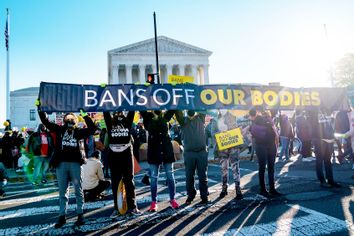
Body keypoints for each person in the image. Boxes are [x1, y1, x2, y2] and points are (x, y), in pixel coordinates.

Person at [37, 102, 96, 228]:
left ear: (75, 120)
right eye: (67, 118)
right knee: (63, 192)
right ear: (64, 120)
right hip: (61, 164)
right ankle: (62, 216)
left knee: (78, 191)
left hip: (75, 164)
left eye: (72, 118)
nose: (70, 119)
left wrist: (85, 115)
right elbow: (45, 121)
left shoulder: (79, 132)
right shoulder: (59, 130)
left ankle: (80, 215)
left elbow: (92, 129)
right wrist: (40, 108)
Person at [140, 110, 179, 212]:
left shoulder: (165, 116)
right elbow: (140, 106)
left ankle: (172, 199)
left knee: (170, 177)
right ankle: (153, 202)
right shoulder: (147, 116)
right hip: (154, 151)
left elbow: (173, 107)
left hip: (166, 150)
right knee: (153, 178)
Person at [103, 110, 140, 217]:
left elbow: (131, 110)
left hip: (127, 153)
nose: (119, 114)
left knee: (129, 181)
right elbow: (105, 112)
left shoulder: (127, 122)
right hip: (114, 155)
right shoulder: (110, 123)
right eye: (116, 113)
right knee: (115, 183)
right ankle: (117, 208)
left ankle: (132, 207)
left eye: (121, 113)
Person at [175, 110, 209, 205]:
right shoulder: (183, 121)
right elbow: (178, 112)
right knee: (189, 176)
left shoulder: (200, 118)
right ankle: (191, 195)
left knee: (202, 176)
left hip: (201, 152)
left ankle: (204, 196)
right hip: (189, 153)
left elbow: (203, 105)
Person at [211, 110, 243, 199]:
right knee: (223, 169)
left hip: (233, 147)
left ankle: (238, 188)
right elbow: (212, 133)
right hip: (222, 148)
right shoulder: (215, 119)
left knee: (235, 168)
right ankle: (224, 189)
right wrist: (221, 132)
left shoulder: (233, 116)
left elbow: (236, 129)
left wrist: (230, 130)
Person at [249, 108, 281, 197]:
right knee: (271, 168)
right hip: (271, 145)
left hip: (260, 146)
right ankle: (272, 189)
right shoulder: (269, 120)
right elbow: (276, 134)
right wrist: (276, 147)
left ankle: (263, 190)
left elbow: (251, 136)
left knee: (262, 168)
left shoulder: (255, 121)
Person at [308, 109, 341, 188]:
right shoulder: (314, 110)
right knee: (319, 161)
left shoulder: (329, 109)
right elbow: (311, 123)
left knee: (328, 161)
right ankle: (322, 181)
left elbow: (331, 124)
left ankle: (330, 180)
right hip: (319, 139)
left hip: (329, 139)